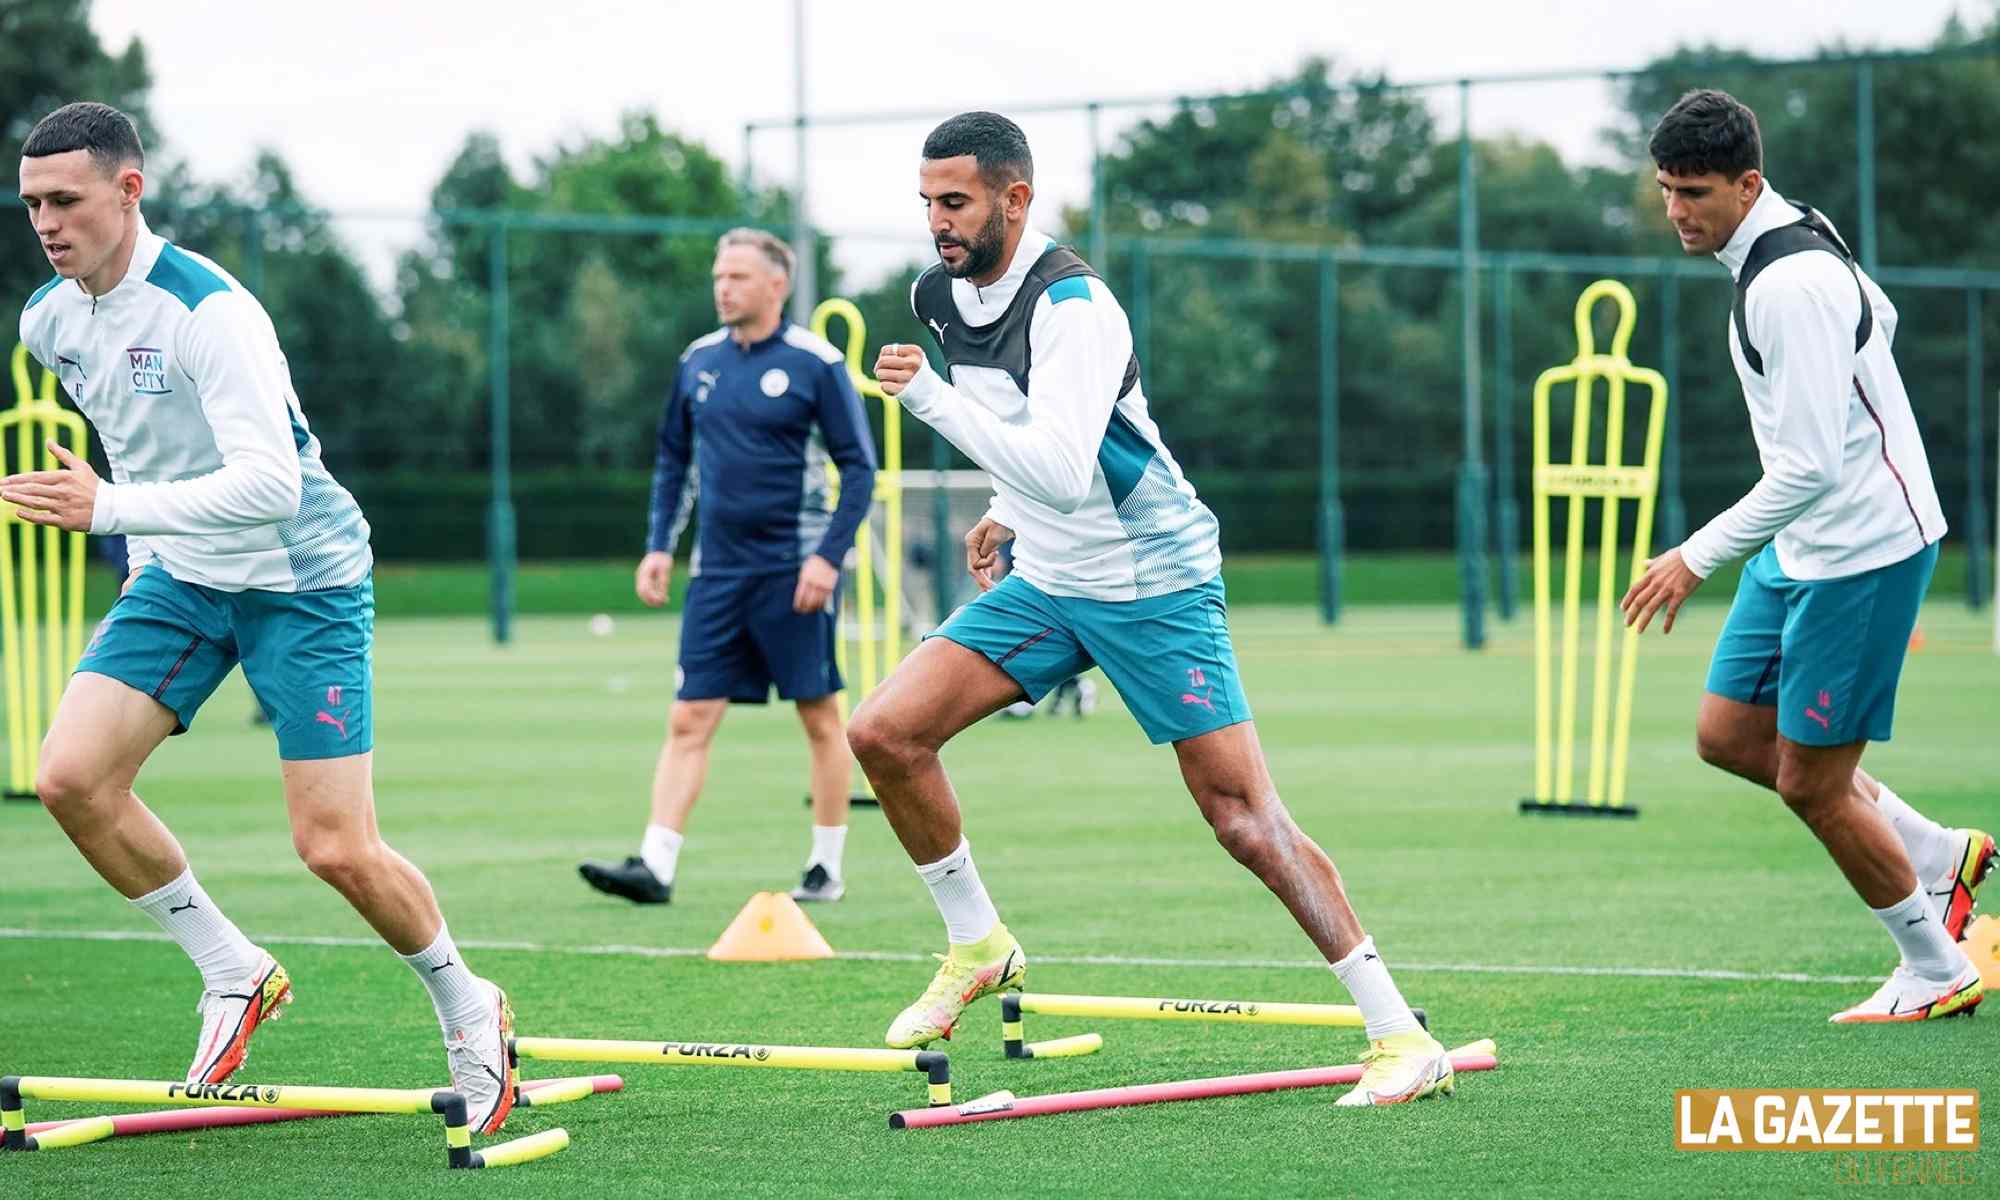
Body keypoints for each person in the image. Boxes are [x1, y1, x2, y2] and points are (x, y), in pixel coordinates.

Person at [857, 112, 1453, 1107]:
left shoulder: (1075, 304)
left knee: (1240, 818)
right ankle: (978, 943)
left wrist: (930, 405)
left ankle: (1398, 1035)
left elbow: (1057, 461)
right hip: (1051, 575)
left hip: (1150, 578)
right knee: (882, 732)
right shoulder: (938, 295)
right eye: (924, 203)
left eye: (953, 202)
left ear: (1016, 197)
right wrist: (1002, 513)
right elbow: (1032, 433)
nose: (937, 224)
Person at [9, 102, 518, 1130]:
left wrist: (108, 511)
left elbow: (269, 486)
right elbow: (146, 451)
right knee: (68, 779)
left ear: (128, 190)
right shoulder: (49, 319)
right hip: (179, 576)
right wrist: (142, 551)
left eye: (67, 201)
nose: (48, 224)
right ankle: (232, 967)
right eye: (31, 206)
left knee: (333, 846)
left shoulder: (210, 312)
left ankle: (471, 1007)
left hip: (301, 577)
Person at [1623, 89, 1990, 1023]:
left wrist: (1692, 558)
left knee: (1811, 783)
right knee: (1729, 735)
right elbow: (1885, 317)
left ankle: (1935, 966)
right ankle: (1941, 854)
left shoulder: (1788, 284)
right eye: (1667, 188)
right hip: (1803, 543)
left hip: (1862, 550)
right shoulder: (1792, 229)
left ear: (1748, 184)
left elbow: (1813, 467)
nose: (1677, 210)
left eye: (1695, 191)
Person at [578, 229, 877, 906]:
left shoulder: (815, 363)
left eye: (739, 276)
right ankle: (655, 866)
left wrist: (827, 560)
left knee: (819, 714)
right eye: (720, 275)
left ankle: (825, 867)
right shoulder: (698, 362)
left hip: (795, 574)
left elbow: (858, 469)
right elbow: (673, 463)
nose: (724, 287)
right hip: (718, 576)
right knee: (690, 717)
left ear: (777, 285)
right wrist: (660, 544)